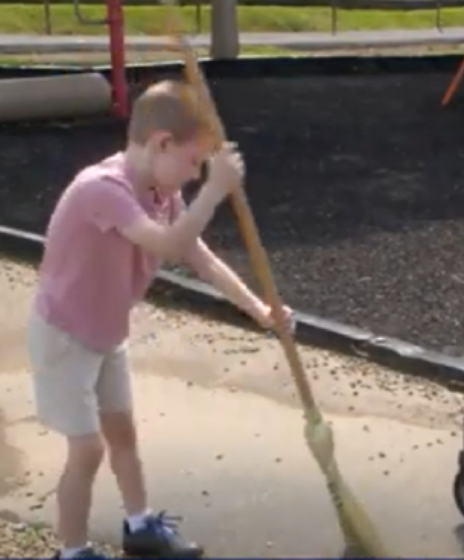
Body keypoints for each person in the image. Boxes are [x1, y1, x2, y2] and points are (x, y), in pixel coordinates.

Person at [27, 80, 290, 559]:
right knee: (88, 450)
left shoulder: (161, 194)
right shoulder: (101, 190)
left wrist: (259, 309)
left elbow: (198, 256)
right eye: (193, 163)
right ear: (161, 143)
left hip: (107, 333)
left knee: (123, 433)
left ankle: (140, 525)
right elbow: (165, 246)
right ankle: (71, 550)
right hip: (64, 335)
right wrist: (214, 192)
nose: (193, 176)